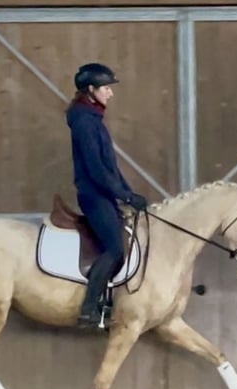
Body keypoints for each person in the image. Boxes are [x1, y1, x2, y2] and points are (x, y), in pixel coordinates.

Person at [66, 62, 148, 327]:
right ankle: (88, 309)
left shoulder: (92, 118)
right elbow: (96, 169)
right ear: (91, 90)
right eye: (106, 88)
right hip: (94, 195)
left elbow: (110, 167)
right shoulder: (83, 121)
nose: (110, 93)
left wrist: (128, 193)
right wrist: (124, 196)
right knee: (114, 249)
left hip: (104, 193)